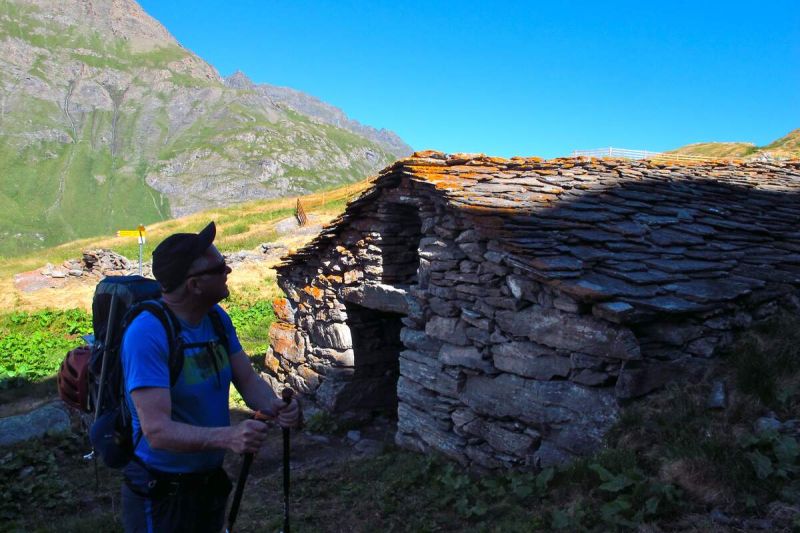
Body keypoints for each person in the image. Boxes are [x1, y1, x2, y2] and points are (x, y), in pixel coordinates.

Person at [120, 221, 301, 533]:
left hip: (207, 484)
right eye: (220, 267)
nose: (228, 270)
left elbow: (246, 380)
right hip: (162, 493)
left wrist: (276, 406)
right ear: (194, 285)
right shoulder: (148, 334)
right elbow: (157, 431)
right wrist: (228, 437)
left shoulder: (216, 319)